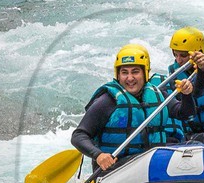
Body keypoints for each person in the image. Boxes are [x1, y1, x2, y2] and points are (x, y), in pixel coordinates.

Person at [71, 44, 182, 173]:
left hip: (148, 165)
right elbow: (78, 135)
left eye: (135, 71)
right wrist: (98, 155)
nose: (130, 78)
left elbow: (186, 114)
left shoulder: (157, 95)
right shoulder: (108, 101)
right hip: (115, 170)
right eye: (124, 72)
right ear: (118, 75)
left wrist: (187, 95)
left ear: (145, 73)